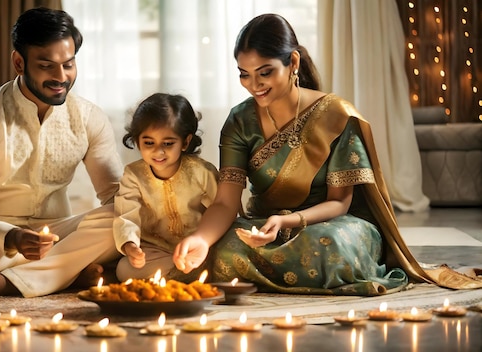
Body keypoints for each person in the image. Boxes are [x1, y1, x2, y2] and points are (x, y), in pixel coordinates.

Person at [172, 13, 482, 295]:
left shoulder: (334, 115)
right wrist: (201, 238)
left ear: (293, 62)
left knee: (329, 247)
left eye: (265, 72)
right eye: (244, 74)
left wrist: (290, 221)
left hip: (327, 225)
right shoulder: (239, 121)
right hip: (264, 226)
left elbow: (340, 202)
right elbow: (226, 201)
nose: (254, 85)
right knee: (222, 247)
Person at [0, 7, 123, 299]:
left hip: (57, 235)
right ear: (19, 63)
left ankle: (9, 283)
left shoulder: (89, 117)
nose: (61, 76)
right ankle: (70, 273)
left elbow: (115, 196)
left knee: (122, 217)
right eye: (47, 66)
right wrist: (9, 236)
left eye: (69, 64)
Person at [113, 93, 219, 281]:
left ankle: (187, 271)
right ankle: (188, 274)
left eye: (168, 143)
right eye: (149, 143)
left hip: (197, 248)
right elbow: (126, 215)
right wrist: (130, 246)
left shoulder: (201, 172)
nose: (158, 151)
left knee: (221, 256)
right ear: (137, 141)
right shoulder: (133, 175)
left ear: (185, 142)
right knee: (125, 268)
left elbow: (222, 210)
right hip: (156, 250)